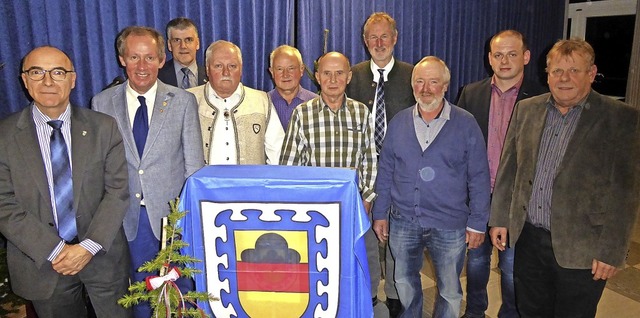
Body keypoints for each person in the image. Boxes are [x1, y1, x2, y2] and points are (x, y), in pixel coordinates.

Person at [489, 38, 640, 318]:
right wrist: (499, 217)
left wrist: (612, 251)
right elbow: (509, 169)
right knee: (530, 311)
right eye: (557, 71)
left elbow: (625, 194)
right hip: (529, 241)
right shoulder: (527, 110)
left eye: (574, 71)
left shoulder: (620, 119)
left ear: (591, 74)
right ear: (547, 75)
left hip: (582, 248)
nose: (564, 78)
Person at [0, 46, 131, 317]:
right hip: (43, 263)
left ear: (72, 79)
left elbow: (117, 192)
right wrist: (57, 249)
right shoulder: (4, 136)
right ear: (24, 80)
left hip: (102, 257)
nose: (48, 81)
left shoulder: (103, 127)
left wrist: (86, 247)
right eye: (37, 72)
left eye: (58, 72)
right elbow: (3, 204)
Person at [91, 26, 204, 318]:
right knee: (140, 293)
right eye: (134, 57)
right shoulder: (102, 104)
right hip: (126, 217)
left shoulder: (182, 102)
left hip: (172, 219)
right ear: (122, 59)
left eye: (150, 58)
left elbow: (193, 168)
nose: (142, 66)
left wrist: (187, 221)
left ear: (162, 59)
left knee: (178, 290)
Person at [372, 56, 491, 318]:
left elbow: (479, 177)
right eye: (419, 82)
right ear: (412, 85)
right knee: (404, 281)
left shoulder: (466, 123)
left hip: (449, 224)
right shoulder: (399, 122)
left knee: (449, 290)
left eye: (433, 82)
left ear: (446, 85)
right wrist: (380, 212)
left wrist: (477, 222)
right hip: (403, 220)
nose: (425, 89)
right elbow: (386, 171)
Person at [457, 30, 546, 318]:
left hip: (518, 197)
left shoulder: (543, 98)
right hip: (478, 194)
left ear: (526, 56)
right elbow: (458, 143)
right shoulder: (471, 93)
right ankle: (475, 311)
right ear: (489, 59)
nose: (504, 60)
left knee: (510, 267)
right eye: (498, 54)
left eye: (512, 54)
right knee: (477, 262)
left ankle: (511, 313)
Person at [279, 52, 377, 304]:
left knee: (354, 268)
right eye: (326, 73)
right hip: (315, 213)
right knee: (320, 269)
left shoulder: (362, 112)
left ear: (349, 76)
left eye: (339, 73)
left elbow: (369, 159)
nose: (333, 79)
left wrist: (366, 198)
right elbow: (290, 166)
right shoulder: (302, 114)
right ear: (318, 78)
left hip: (354, 209)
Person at [345, 12, 415, 316]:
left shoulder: (413, 75)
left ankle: (397, 292)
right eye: (372, 37)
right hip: (362, 171)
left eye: (384, 36)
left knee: (398, 234)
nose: (379, 42)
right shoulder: (353, 75)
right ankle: (370, 291)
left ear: (395, 38)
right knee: (367, 234)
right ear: (365, 41)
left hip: (402, 171)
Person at [188, 40, 284, 165]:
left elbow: (277, 153)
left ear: (241, 69)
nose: (226, 72)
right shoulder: (188, 100)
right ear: (207, 69)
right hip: (202, 184)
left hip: (249, 183)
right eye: (218, 66)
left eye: (232, 66)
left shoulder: (262, 101)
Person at [267, 45, 317, 129]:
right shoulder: (263, 104)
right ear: (272, 72)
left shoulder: (317, 103)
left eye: (291, 68)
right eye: (279, 69)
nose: (285, 74)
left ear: (301, 70)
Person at [158, 17, 207, 88]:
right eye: (177, 40)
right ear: (169, 45)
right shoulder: (157, 76)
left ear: (197, 43)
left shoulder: (211, 76)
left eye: (189, 40)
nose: (183, 46)